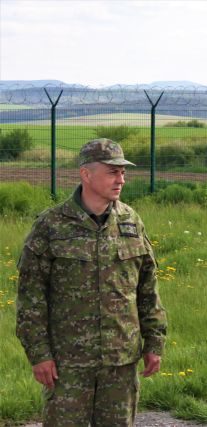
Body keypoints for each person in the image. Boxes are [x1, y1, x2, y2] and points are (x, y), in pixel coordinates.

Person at [16, 138, 167, 426]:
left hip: (120, 360)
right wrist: (39, 354)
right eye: (112, 172)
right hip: (68, 363)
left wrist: (154, 342)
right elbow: (31, 298)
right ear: (86, 174)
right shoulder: (51, 225)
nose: (121, 179)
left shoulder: (131, 221)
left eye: (123, 172)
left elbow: (147, 288)